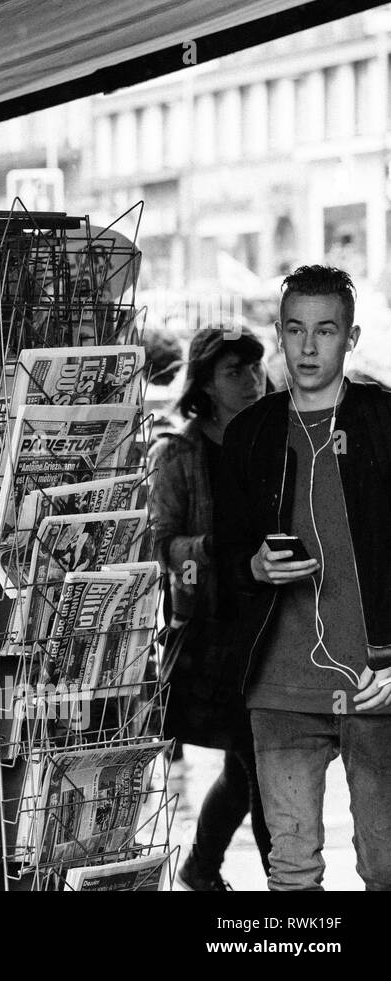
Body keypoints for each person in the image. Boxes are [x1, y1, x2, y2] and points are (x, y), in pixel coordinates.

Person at [216, 265, 391, 891]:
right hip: (280, 687)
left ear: (351, 337)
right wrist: (254, 566)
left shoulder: (383, 422)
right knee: (291, 870)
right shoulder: (250, 434)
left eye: (325, 330)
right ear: (280, 334)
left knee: (386, 866)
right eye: (295, 330)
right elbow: (223, 555)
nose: (309, 347)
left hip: (376, 682)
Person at [149, 326, 271, 891]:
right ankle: (288, 887)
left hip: (273, 626)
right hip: (215, 635)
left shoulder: (275, 440)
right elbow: (160, 543)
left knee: (252, 770)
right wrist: (210, 547)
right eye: (233, 372)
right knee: (260, 768)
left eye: (254, 367)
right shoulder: (179, 453)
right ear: (204, 383)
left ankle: (201, 867)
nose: (250, 381)